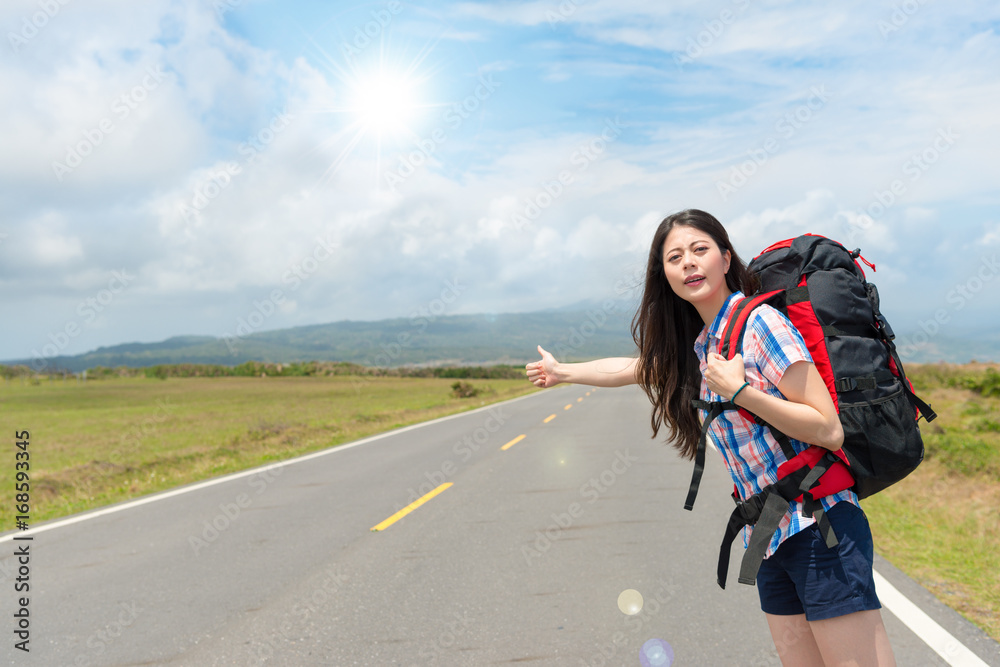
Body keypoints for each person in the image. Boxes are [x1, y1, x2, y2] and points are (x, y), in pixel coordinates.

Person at [525, 209, 895, 667]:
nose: (688, 263)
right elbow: (633, 368)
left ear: (725, 257)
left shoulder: (761, 326)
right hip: (769, 535)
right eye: (674, 257)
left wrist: (741, 392)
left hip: (820, 527)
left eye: (699, 250)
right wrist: (563, 372)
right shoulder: (704, 345)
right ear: (664, 275)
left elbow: (828, 429)